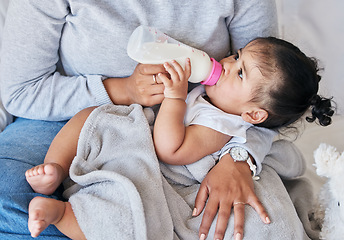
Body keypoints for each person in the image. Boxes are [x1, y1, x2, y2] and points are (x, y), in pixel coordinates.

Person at [0, 1, 303, 240]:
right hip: (67, 116)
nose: (225, 62)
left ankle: (68, 215)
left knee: (137, 209)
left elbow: (270, 100)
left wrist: (240, 158)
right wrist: (123, 90)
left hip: (164, 144)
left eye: (238, 68)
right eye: (235, 55)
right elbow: (21, 92)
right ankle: (57, 171)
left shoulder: (224, 120)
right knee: (11, 201)